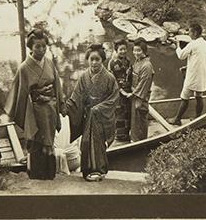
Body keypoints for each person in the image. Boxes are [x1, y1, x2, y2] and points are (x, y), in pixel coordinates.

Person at [4, 29, 63, 180]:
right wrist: (36, 94)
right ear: (31, 47)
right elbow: (20, 93)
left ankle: (49, 174)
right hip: (34, 111)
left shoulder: (49, 62)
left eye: (44, 46)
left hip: (50, 109)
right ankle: (36, 175)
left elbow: (57, 86)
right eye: (37, 46)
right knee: (36, 143)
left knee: (49, 142)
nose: (41, 50)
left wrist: (60, 104)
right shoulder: (24, 68)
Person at [62, 44, 120, 181]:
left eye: (97, 59)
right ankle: (87, 170)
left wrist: (99, 108)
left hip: (101, 117)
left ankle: (99, 170)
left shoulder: (109, 78)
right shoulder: (84, 77)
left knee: (99, 143)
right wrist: (66, 107)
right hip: (88, 115)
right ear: (87, 60)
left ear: (102, 60)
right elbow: (76, 96)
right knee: (86, 141)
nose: (94, 62)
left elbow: (114, 98)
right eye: (91, 59)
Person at [170, 23, 206, 125]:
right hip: (202, 75)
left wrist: (178, 46)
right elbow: (199, 60)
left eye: (190, 32)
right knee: (199, 96)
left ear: (195, 33)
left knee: (185, 97)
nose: (189, 34)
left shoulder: (193, 44)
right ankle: (197, 118)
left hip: (192, 77)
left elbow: (181, 56)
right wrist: (187, 67)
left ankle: (177, 119)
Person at [126, 39, 154, 141]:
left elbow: (144, 83)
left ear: (144, 52)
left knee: (140, 117)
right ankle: (135, 137)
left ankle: (140, 140)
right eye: (135, 50)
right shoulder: (138, 61)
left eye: (139, 51)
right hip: (135, 94)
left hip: (141, 95)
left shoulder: (147, 66)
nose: (136, 53)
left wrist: (135, 95)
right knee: (135, 119)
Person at [107, 39, 132, 141]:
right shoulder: (113, 63)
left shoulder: (127, 60)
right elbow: (112, 80)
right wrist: (121, 91)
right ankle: (120, 136)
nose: (123, 51)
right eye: (120, 49)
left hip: (127, 91)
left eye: (125, 49)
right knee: (119, 113)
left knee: (127, 112)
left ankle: (126, 133)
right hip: (118, 92)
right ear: (116, 50)